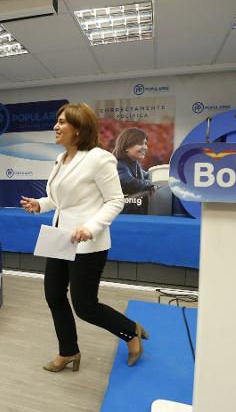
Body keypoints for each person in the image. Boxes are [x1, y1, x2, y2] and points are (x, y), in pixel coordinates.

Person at [20, 103, 149, 373]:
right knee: (54, 296)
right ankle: (68, 351)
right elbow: (60, 199)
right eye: (57, 120)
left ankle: (130, 331)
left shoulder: (99, 158)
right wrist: (40, 205)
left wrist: (91, 227)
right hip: (59, 238)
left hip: (88, 243)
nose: (56, 126)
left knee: (85, 306)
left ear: (79, 129)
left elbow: (115, 201)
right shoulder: (61, 159)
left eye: (63, 122)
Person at [112, 128, 155, 214]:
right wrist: (150, 184)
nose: (145, 148)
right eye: (140, 144)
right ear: (126, 146)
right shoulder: (118, 163)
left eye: (145, 144)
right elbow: (127, 182)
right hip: (121, 216)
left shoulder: (134, 163)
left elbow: (147, 176)